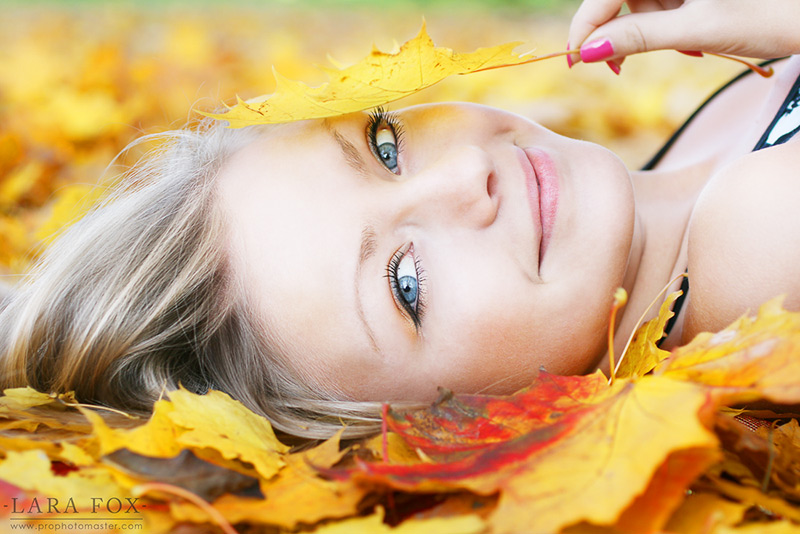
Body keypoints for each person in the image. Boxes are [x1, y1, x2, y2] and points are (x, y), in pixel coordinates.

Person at [0, 0, 798, 440]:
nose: (464, 178)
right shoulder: (753, 245)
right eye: (406, 283)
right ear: (452, 429)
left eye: (385, 144)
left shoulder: (693, 173)